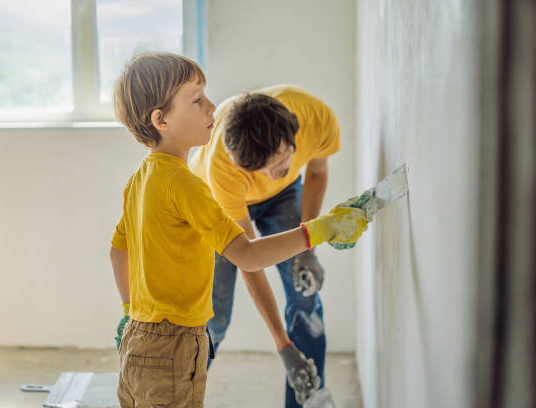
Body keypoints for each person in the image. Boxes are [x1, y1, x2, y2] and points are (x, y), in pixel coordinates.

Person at [109, 53, 368, 408]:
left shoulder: (140, 178)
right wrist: (322, 230)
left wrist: (129, 312)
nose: (212, 108)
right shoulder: (196, 184)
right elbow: (247, 255)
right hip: (177, 342)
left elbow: (117, 251)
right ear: (161, 119)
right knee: (214, 322)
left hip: (139, 336)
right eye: (198, 100)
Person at [189, 85, 342, 407]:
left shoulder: (317, 118)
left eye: (280, 161)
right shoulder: (223, 166)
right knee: (212, 319)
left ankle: (308, 401)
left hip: (284, 196)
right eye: (261, 170)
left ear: (293, 136)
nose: (270, 175)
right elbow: (249, 258)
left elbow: (316, 172)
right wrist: (282, 346)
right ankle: (179, 399)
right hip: (215, 200)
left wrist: (308, 248)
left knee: (305, 298)